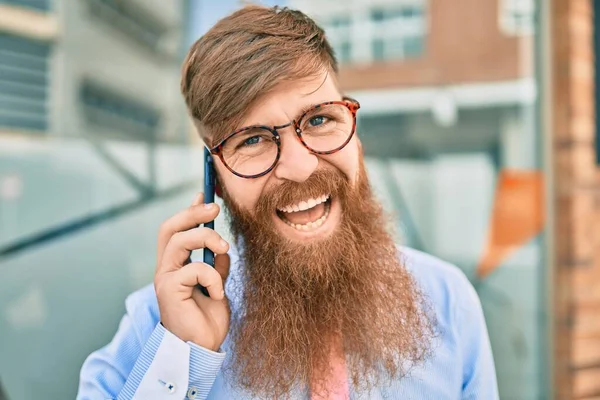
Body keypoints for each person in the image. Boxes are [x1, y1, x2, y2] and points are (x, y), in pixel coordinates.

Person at [77, 5, 498, 400]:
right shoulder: (161, 321)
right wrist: (181, 356)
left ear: (355, 133)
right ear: (215, 180)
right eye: (253, 140)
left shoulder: (447, 301)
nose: (299, 167)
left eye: (319, 120)